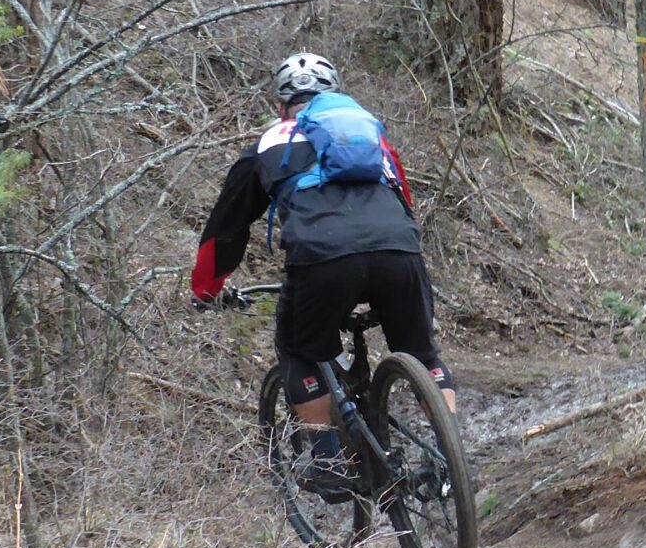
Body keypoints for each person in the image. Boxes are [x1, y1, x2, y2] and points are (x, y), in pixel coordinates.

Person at [191, 52, 452, 494]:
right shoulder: (369, 135)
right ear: (334, 98)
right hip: (399, 249)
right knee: (422, 354)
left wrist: (205, 289)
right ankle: (450, 459)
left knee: (299, 347)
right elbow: (403, 200)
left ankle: (329, 459)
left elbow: (225, 232)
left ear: (280, 107)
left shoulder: (269, 143)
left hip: (322, 258)